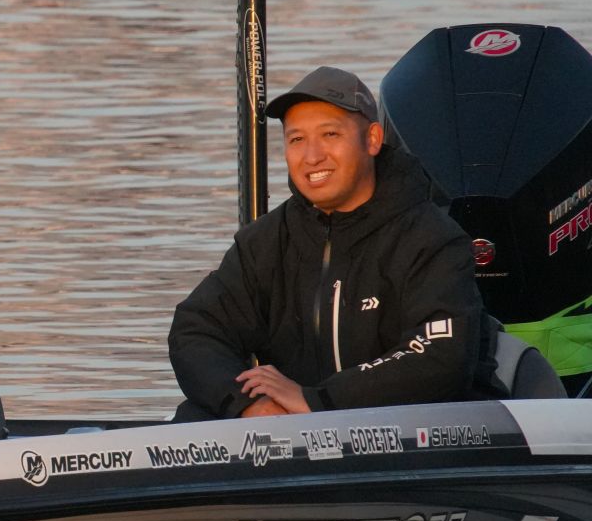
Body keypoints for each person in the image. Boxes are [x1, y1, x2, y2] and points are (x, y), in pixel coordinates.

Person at [169, 66, 501, 419]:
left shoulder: (431, 237)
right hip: (296, 429)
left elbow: (441, 355)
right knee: (195, 415)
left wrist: (318, 401)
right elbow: (196, 330)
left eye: (330, 134)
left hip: (427, 429)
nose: (312, 156)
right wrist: (249, 404)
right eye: (296, 139)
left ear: (372, 139)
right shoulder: (264, 242)